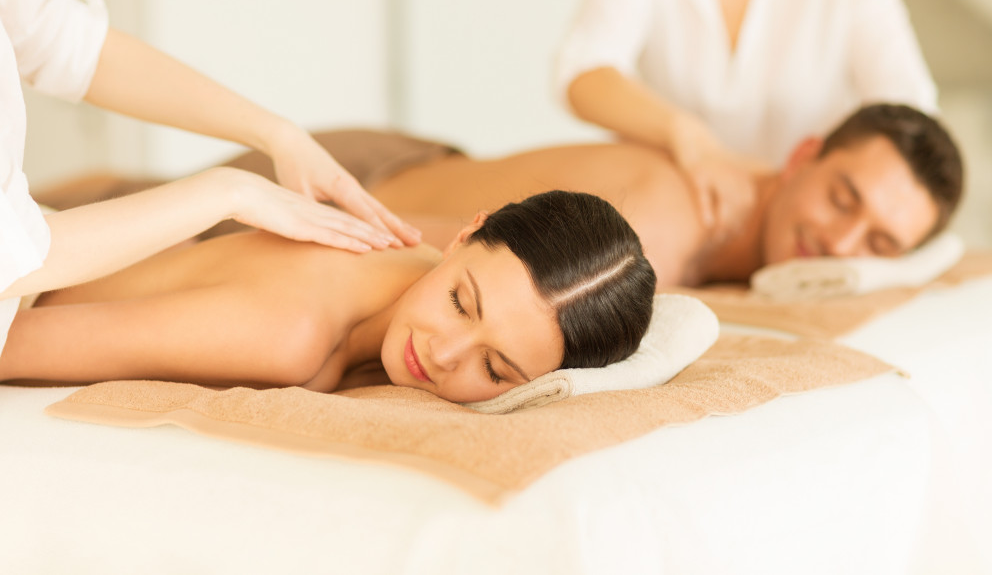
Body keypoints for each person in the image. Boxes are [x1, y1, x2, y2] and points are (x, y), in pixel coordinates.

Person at [40, 104, 965, 291]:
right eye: (845, 196)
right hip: (379, 182)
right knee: (107, 227)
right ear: (803, 154)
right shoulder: (672, 221)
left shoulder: (746, 239)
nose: (842, 241)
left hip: (425, 152)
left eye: (880, 242)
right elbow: (486, 248)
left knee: (128, 199)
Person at [0, 0, 417, 352]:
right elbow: (12, 259)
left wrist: (281, 136)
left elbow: (62, 41)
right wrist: (227, 192)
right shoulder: (293, 337)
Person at [0, 191, 657, 404]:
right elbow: (12, 343)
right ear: (461, 237)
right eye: (461, 302)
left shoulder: (405, 266)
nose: (445, 352)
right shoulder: (288, 335)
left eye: (496, 370)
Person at [554, 0, 937, 229]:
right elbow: (582, 72)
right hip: (695, 216)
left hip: (809, 224)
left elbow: (911, 111)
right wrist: (688, 135)